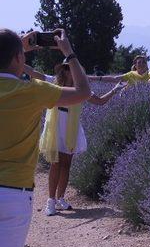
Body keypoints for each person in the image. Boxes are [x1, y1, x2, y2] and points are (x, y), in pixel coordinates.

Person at [0, 29, 90, 247]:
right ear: (19, 58)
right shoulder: (33, 91)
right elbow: (84, 92)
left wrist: (16, 46)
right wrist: (69, 53)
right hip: (13, 193)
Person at [23, 64, 126, 216]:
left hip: (71, 128)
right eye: (67, 68)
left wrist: (115, 89)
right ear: (63, 71)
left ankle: (61, 198)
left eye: (73, 68)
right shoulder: (53, 82)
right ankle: (50, 201)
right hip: (55, 127)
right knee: (55, 164)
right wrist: (19, 55)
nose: (70, 71)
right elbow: (34, 73)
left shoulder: (82, 89)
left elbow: (100, 101)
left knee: (66, 164)